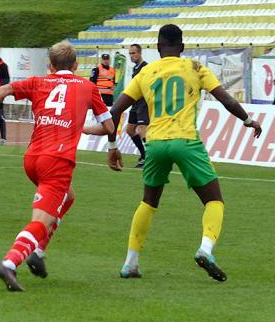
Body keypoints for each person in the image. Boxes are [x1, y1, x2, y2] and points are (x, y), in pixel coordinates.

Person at [101, 24, 262, 282]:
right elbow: (226, 100)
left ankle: (130, 263)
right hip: (185, 142)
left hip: (154, 144)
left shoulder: (146, 73)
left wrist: (112, 147)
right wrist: (248, 121)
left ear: (157, 46)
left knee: (148, 202)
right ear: (183, 47)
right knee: (214, 200)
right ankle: (205, 249)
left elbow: (114, 112)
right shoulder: (195, 68)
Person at [0, 42, 115, 292]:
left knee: (67, 198)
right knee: (40, 220)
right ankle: (10, 262)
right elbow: (108, 127)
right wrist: (92, 134)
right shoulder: (87, 86)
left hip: (32, 159)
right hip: (57, 161)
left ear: (50, 66)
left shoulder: (39, 81)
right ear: (76, 65)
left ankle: (37, 252)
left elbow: (4, 89)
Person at [126, 44, 149, 168]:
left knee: (141, 129)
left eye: (134, 53)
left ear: (140, 53)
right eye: (130, 53)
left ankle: (150, 157)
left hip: (143, 103)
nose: (131, 56)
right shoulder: (136, 68)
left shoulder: (146, 67)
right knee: (130, 130)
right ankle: (144, 154)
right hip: (135, 103)